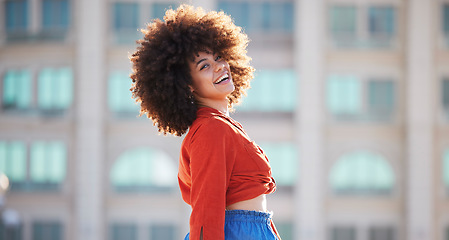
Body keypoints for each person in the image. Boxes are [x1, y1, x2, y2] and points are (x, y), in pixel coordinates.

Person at [130, 4, 281, 240]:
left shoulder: (221, 125)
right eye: (205, 66)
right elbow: (206, 208)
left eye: (219, 57)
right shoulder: (211, 128)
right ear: (188, 86)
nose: (220, 66)